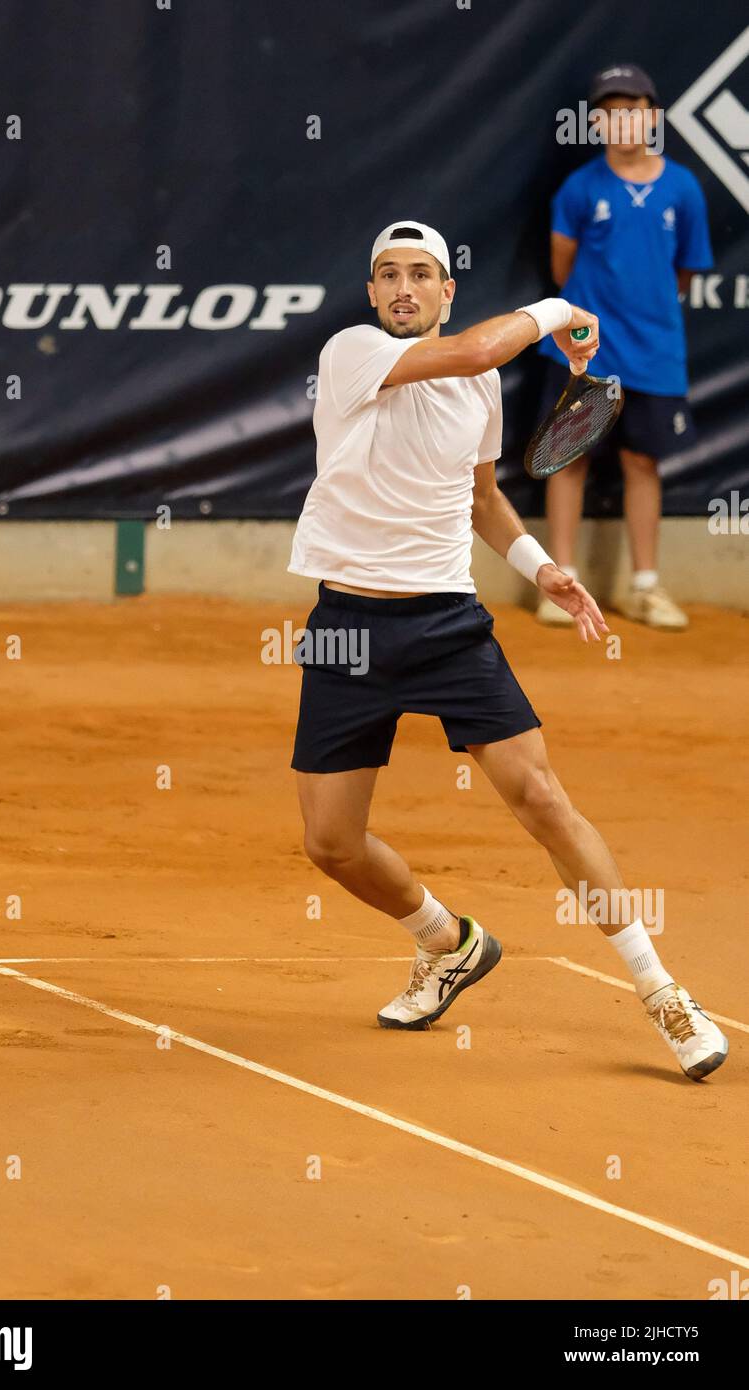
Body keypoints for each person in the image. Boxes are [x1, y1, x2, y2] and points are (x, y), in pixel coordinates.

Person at [287, 218, 727, 1082]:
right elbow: (476, 352)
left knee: (544, 800)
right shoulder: (352, 354)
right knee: (332, 846)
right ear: (372, 293)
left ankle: (662, 990)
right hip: (348, 628)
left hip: (449, 624)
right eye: (389, 276)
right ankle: (444, 942)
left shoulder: (476, 386)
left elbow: (482, 496)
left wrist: (542, 567)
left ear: (448, 291)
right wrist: (562, 307)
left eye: (422, 275)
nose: (404, 288)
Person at [537, 63, 714, 630]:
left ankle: (643, 586)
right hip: (585, 350)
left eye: (632, 110)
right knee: (568, 458)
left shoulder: (683, 188)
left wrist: (648, 308)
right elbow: (562, 268)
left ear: (653, 117)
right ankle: (558, 580)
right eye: (609, 114)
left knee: (643, 463)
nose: (622, 122)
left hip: (656, 349)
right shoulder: (580, 188)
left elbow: (684, 269)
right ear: (596, 123)